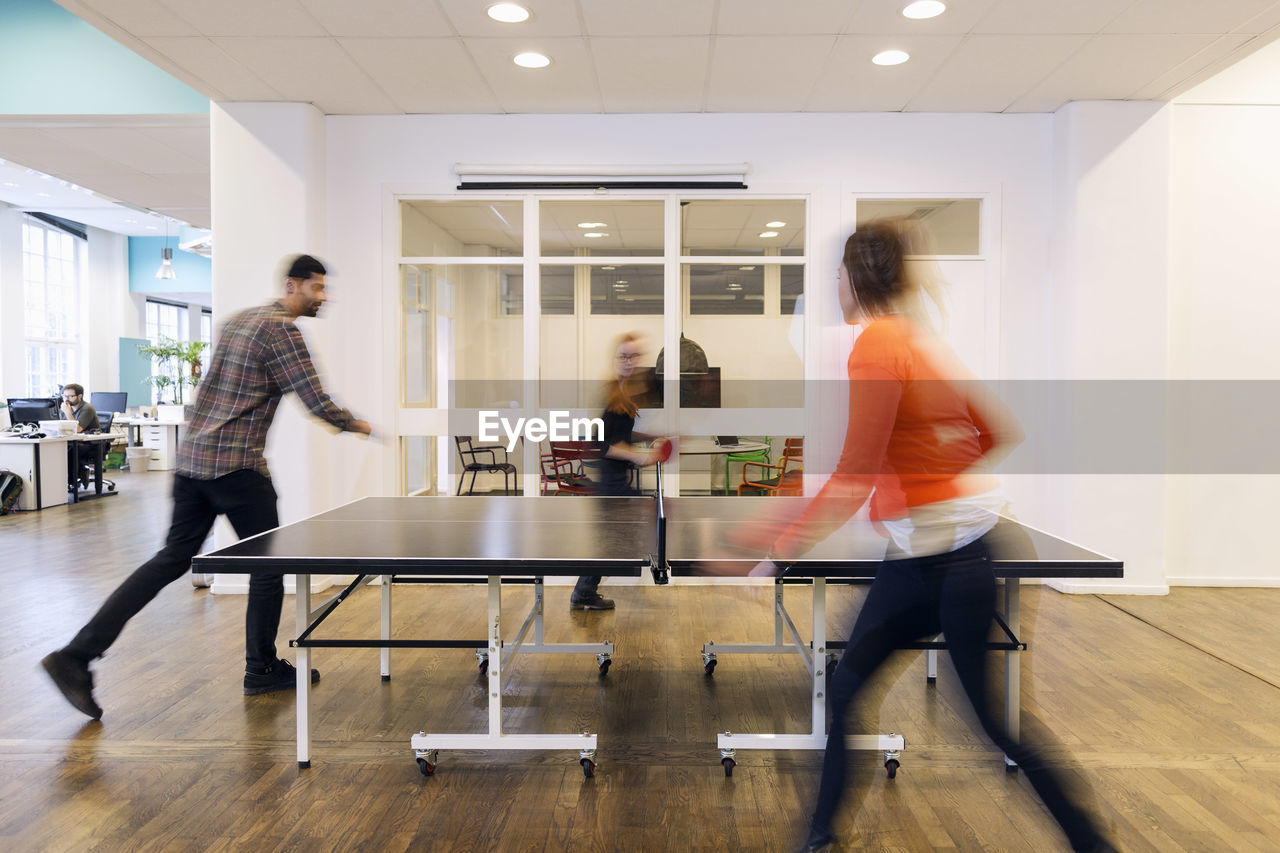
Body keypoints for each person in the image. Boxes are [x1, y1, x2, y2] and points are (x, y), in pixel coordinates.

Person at [749, 221, 1113, 852]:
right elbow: (996, 431)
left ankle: (1093, 843)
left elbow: (855, 474)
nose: (833, 283)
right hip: (922, 557)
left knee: (998, 727)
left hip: (959, 564)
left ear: (857, 277)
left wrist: (779, 551)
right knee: (845, 689)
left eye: (838, 272)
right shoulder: (915, 340)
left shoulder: (877, 346)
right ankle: (821, 838)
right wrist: (927, 484)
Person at [41, 254, 373, 720]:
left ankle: (75, 655)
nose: (323, 297)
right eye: (316, 288)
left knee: (169, 561)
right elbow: (314, 398)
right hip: (237, 468)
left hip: (192, 462)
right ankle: (261, 669)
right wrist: (356, 424)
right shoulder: (283, 332)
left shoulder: (240, 321)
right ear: (292, 285)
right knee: (269, 566)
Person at [569, 332, 663, 611]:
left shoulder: (625, 394)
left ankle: (584, 591)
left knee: (608, 541)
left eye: (633, 355)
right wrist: (639, 457)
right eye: (623, 355)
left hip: (617, 479)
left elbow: (622, 435)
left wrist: (652, 436)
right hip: (611, 482)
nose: (628, 360)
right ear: (616, 359)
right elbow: (599, 444)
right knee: (613, 540)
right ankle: (584, 590)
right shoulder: (613, 396)